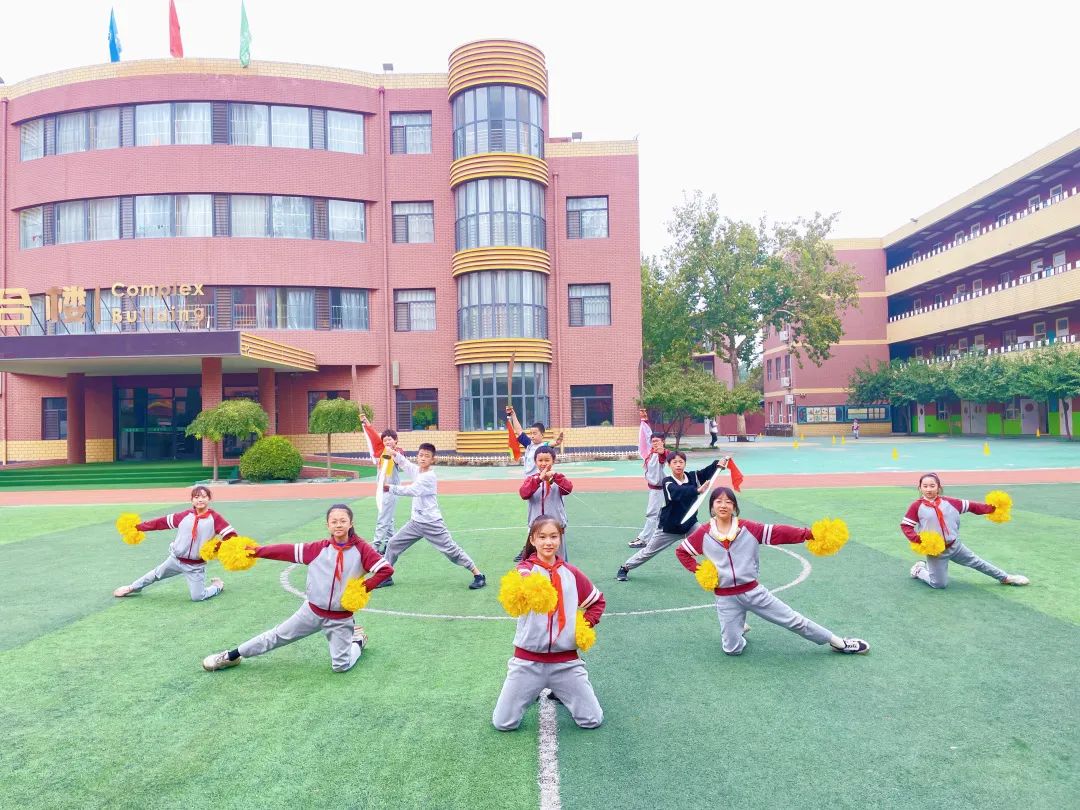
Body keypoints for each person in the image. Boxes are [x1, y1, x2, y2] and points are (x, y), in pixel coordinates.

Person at [676, 488, 870, 656]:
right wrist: (700, 570)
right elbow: (682, 552)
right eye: (718, 501)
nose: (723, 505)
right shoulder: (703, 533)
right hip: (725, 597)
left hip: (753, 592)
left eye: (728, 501)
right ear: (712, 507)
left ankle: (839, 642)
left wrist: (809, 534)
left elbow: (780, 532)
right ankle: (738, 627)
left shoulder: (748, 528)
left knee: (794, 620)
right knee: (732, 650)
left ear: (734, 507)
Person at [202, 503, 391, 673]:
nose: (338, 525)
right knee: (275, 636)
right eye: (334, 521)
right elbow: (285, 551)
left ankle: (357, 642)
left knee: (341, 666)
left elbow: (385, 570)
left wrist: (363, 587)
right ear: (328, 525)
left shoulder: (362, 550)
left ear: (351, 523)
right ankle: (231, 656)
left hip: (341, 618)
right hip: (311, 612)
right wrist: (255, 551)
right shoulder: (318, 549)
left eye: (343, 521)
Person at [492, 516, 605, 731]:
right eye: (542, 537)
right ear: (532, 540)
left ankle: (561, 691)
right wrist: (527, 578)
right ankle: (530, 690)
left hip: (566, 662)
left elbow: (597, 602)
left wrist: (582, 626)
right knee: (503, 723)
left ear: (560, 539)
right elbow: (522, 574)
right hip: (527, 662)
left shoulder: (572, 573)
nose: (548, 542)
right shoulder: (525, 570)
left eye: (553, 536)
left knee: (592, 720)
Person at [377, 442, 487, 590]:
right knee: (392, 544)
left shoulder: (429, 477)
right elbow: (406, 464)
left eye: (427, 456)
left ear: (432, 459)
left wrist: (388, 487)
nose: (423, 458)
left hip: (432, 523)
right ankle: (386, 576)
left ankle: (478, 575)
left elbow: (412, 490)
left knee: (452, 551)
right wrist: (394, 454)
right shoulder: (418, 471)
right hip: (415, 523)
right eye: (421, 455)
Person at [901, 473, 1029, 589]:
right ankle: (919, 570)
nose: (928, 489)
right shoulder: (916, 506)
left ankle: (1005, 578)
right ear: (920, 488)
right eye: (925, 486)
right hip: (935, 552)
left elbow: (974, 507)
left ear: (939, 487)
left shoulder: (951, 502)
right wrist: (919, 539)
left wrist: (993, 508)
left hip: (955, 546)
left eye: (932, 486)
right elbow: (906, 525)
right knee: (938, 584)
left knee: (977, 562)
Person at [113, 485, 236, 601]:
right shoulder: (184, 516)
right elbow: (160, 523)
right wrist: (138, 527)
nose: (200, 500)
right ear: (192, 500)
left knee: (198, 597)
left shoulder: (215, 519)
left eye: (204, 496)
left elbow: (231, 536)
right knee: (155, 574)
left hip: (195, 566)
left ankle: (217, 586)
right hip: (175, 560)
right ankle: (132, 587)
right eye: (196, 497)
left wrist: (216, 547)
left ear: (209, 499)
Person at [616, 452, 726, 581]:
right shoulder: (667, 482)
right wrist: (696, 490)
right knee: (648, 551)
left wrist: (717, 464)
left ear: (685, 464)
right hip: (669, 528)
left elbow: (706, 472)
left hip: (690, 525)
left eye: (681, 462)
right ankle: (625, 568)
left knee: (711, 542)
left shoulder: (692, 477)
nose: (678, 465)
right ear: (669, 465)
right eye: (675, 462)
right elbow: (676, 493)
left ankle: (726, 569)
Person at [518, 446, 573, 559]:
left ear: (553, 461)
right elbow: (524, 493)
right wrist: (539, 479)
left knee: (558, 560)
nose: (543, 463)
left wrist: (555, 476)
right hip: (536, 527)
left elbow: (568, 489)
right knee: (535, 560)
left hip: (556, 527)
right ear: (535, 462)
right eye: (540, 460)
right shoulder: (531, 479)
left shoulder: (558, 478)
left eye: (547, 460)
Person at [361, 413, 401, 553]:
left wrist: (391, 453)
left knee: (382, 519)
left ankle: (376, 546)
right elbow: (374, 438)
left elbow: (397, 459)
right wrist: (366, 423)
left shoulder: (397, 453)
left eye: (390, 439)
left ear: (396, 441)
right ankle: (391, 543)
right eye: (385, 440)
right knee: (388, 519)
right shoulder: (381, 452)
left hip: (390, 491)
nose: (387, 442)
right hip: (381, 491)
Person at [629, 408, 668, 549]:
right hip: (656, 489)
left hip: (660, 489)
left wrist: (662, 452)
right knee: (660, 514)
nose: (654, 443)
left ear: (663, 441)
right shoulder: (650, 453)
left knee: (652, 514)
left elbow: (665, 457)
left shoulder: (662, 454)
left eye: (657, 441)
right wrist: (644, 420)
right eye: (653, 441)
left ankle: (644, 539)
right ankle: (658, 537)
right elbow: (646, 437)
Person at [507, 405, 563, 477]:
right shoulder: (529, 444)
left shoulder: (543, 447)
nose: (532, 436)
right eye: (531, 433)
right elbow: (519, 431)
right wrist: (513, 415)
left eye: (535, 433)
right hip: (528, 478)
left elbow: (550, 444)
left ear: (542, 435)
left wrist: (556, 442)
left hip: (539, 479)